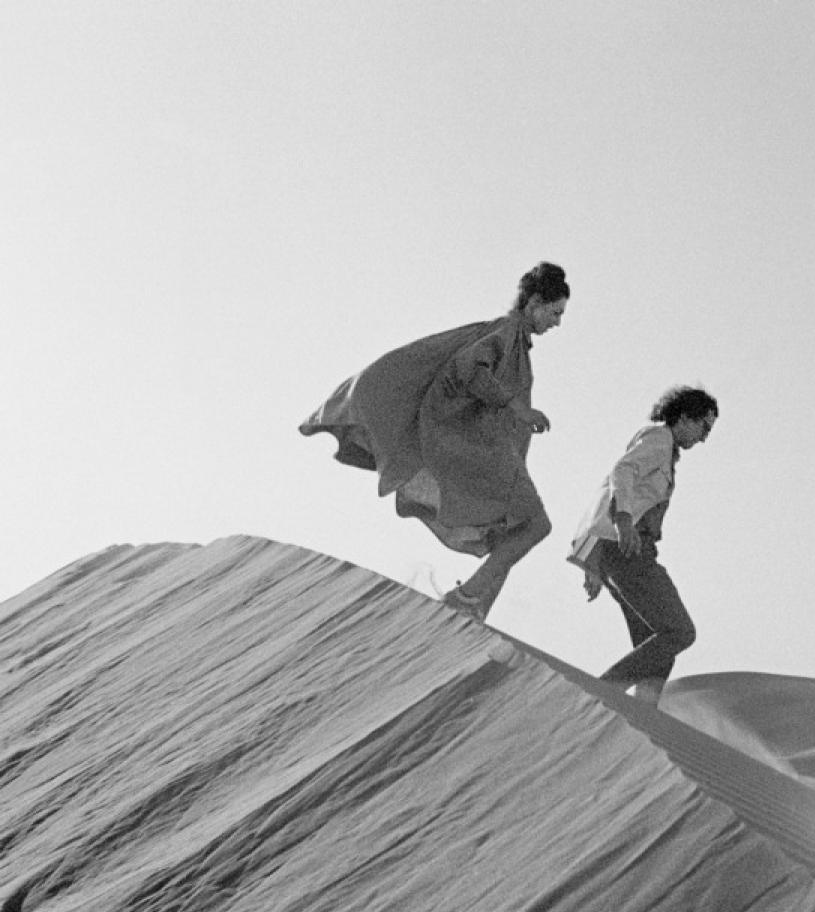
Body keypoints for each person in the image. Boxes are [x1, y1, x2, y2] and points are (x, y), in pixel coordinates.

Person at [300, 262, 569, 620]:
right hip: (469, 451)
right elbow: (468, 370)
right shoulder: (506, 332)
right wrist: (518, 408)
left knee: (514, 532)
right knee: (535, 525)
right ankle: (466, 599)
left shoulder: (514, 341)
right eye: (554, 312)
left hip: (485, 455)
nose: (557, 322)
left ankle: (474, 612)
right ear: (535, 301)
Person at [568, 385, 719, 706]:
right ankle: (603, 692)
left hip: (620, 551)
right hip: (629, 551)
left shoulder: (663, 446)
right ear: (684, 417)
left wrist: (595, 564)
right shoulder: (659, 439)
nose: (705, 437)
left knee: (655, 645)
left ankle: (641, 713)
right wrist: (623, 522)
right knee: (679, 633)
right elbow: (622, 471)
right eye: (704, 427)